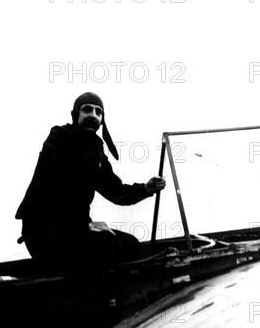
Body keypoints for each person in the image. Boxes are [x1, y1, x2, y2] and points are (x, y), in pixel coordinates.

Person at [15, 92, 165, 268]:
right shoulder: (59, 137)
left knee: (131, 245)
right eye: (87, 110)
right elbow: (65, 167)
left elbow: (115, 191)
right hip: (43, 233)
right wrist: (89, 226)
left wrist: (146, 189)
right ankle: (94, 293)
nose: (93, 115)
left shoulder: (95, 148)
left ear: (102, 120)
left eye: (98, 112)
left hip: (74, 229)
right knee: (109, 244)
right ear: (75, 114)